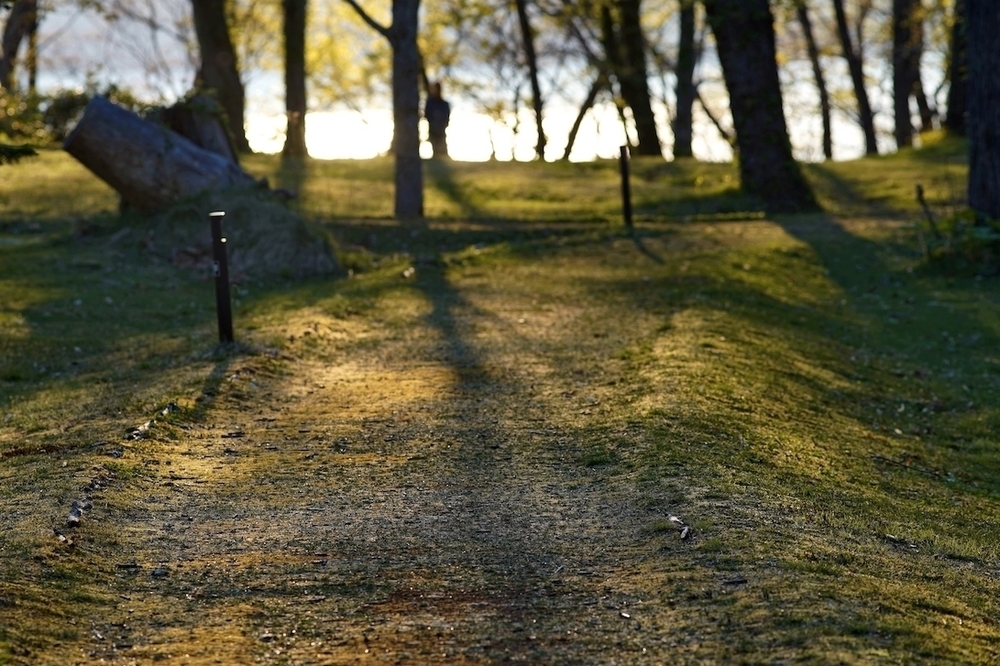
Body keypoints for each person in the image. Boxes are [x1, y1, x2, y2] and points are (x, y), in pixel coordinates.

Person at [425, 81, 451, 159]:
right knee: (435, 147)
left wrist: (444, 124)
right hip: (433, 129)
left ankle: (443, 158)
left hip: (441, 129)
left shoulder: (444, 104)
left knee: (442, 147)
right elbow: (427, 115)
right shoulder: (430, 103)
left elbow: (447, 116)